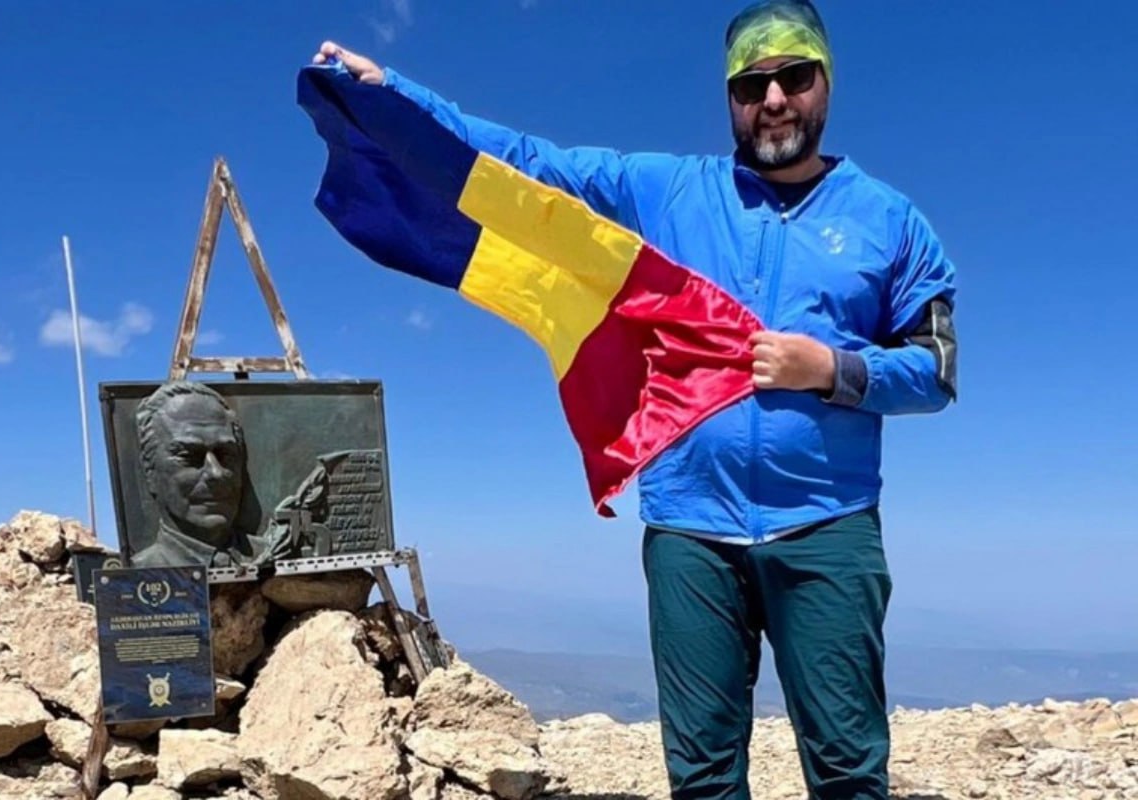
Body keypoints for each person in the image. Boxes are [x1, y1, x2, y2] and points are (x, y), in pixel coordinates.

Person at [310, 0, 957, 796]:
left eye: (794, 77)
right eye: (750, 84)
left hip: (827, 526)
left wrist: (832, 368)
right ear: (729, 97)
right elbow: (529, 165)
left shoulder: (889, 221)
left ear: (825, 82)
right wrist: (395, 94)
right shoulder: (668, 190)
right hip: (690, 530)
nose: (773, 99)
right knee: (703, 776)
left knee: (850, 772)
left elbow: (934, 372)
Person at [131, 381, 269, 568]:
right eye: (189, 456)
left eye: (226, 455)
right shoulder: (138, 573)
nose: (216, 473)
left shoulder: (277, 555)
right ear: (149, 471)